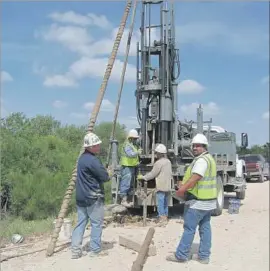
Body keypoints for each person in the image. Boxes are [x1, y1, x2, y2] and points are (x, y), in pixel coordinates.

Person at [166, 133, 217, 264]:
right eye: (193, 145)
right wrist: (182, 184)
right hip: (209, 201)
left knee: (189, 228)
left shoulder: (201, 161)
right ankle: (204, 256)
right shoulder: (209, 158)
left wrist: (181, 190)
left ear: (204, 147)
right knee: (205, 227)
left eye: (198, 146)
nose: (195, 148)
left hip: (197, 202)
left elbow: (196, 178)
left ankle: (181, 255)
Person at [71, 132, 110, 259]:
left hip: (81, 197)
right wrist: (108, 172)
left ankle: (75, 251)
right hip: (93, 197)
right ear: (90, 147)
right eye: (97, 145)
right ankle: (95, 251)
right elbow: (104, 177)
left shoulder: (81, 159)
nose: (99, 147)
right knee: (96, 223)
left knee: (81, 223)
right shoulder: (93, 160)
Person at [138, 143, 172, 226]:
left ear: (159, 153)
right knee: (165, 202)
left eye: (156, 153)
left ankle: (161, 218)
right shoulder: (168, 162)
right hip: (167, 185)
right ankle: (165, 217)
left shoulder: (158, 163)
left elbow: (153, 174)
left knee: (160, 202)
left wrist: (143, 177)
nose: (156, 154)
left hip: (161, 185)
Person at [119, 129, 141, 207]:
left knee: (131, 183)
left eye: (136, 138)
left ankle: (129, 200)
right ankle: (123, 200)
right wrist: (137, 152)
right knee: (126, 183)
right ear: (130, 138)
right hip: (126, 167)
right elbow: (130, 154)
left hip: (132, 166)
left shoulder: (134, 145)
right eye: (135, 138)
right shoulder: (127, 145)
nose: (136, 140)